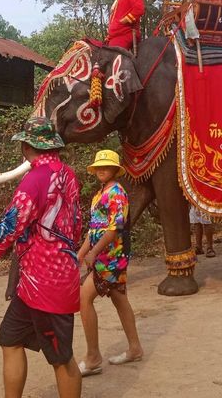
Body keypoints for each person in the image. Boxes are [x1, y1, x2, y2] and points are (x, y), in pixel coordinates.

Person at [0, 116, 82, 398]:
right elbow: (76, 223)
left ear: (26, 146)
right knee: (9, 339)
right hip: (37, 284)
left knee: (61, 359)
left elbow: (6, 232)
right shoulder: (68, 175)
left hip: (48, 283)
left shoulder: (32, 182)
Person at [77, 149, 143, 377]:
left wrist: (93, 252)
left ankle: (93, 357)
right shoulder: (99, 194)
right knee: (118, 297)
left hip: (111, 256)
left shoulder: (116, 193)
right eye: (99, 166)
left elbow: (115, 229)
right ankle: (135, 348)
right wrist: (81, 253)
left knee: (84, 298)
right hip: (103, 255)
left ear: (115, 169)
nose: (101, 170)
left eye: (106, 166)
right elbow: (94, 229)